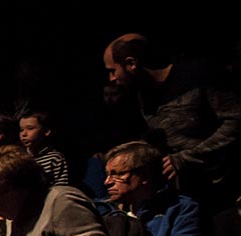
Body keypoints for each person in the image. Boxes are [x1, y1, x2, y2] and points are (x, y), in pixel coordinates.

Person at [102, 33, 241, 202]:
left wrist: (187, 158)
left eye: (112, 70)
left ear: (131, 63)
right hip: (187, 192)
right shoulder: (144, 96)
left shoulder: (197, 75)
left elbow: (235, 121)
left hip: (225, 187)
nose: (112, 78)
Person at [94, 141, 206, 236]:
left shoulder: (179, 209)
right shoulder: (103, 212)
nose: (107, 182)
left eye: (117, 174)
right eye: (107, 174)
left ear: (144, 176)